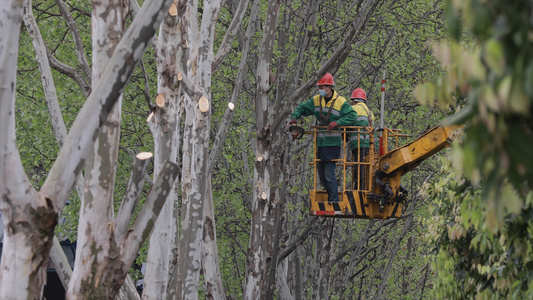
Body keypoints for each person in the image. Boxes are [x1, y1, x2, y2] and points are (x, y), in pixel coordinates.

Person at [287, 73, 357, 202]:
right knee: (321, 175)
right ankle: (331, 195)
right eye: (319, 87)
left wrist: (338, 123)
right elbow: (302, 107)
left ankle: (334, 200)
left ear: (329, 87)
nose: (320, 89)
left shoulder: (340, 101)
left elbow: (352, 115)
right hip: (320, 143)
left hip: (333, 143)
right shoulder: (316, 100)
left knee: (329, 174)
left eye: (322, 87)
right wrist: (294, 118)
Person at [348, 88, 375, 190]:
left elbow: (347, 123)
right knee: (367, 168)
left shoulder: (354, 109)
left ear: (353, 101)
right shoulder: (370, 112)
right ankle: (366, 187)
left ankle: (359, 189)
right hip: (372, 145)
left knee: (359, 168)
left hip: (360, 144)